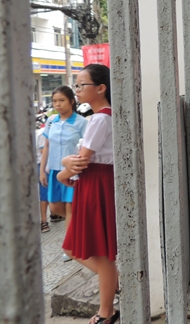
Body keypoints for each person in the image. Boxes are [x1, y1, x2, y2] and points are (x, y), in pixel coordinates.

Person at [58, 64, 119, 324]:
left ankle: (106, 312)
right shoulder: (105, 116)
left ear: (101, 88)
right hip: (96, 182)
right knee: (82, 248)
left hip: (96, 182)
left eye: (82, 85)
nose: (78, 90)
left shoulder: (99, 118)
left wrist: (62, 170)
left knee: (95, 251)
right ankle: (112, 283)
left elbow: (80, 162)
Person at [39, 86, 87, 252]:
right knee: (55, 207)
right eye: (55, 101)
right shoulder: (51, 121)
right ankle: (79, 226)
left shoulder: (81, 122)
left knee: (70, 207)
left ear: (71, 101)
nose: (58, 104)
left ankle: (71, 247)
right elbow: (46, 145)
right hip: (53, 170)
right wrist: (42, 171)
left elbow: (86, 147)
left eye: (62, 100)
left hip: (72, 172)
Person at [36, 119, 49, 233]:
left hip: (43, 164)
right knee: (44, 193)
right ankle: (44, 221)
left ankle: (53, 215)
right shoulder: (42, 133)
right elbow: (42, 150)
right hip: (41, 165)